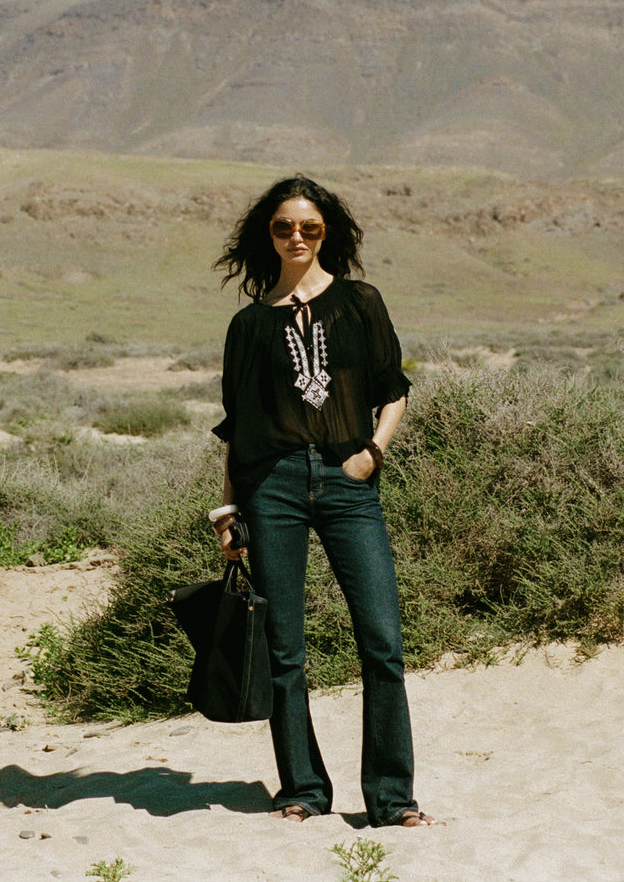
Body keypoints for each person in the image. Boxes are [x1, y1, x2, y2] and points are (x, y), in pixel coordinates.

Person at [209, 174, 434, 828]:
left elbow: (394, 389)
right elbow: (237, 425)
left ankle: (391, 797)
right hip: (271, 485)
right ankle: (303, 787)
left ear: (326, 231)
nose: (297, 237)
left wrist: (373, 453)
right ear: (268, 236)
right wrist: (228, 511)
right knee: (284, 649)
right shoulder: (249, 324)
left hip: (347, 482)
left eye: (308, 226)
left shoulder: (360, 302)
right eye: (284, 227)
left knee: (382, 640)